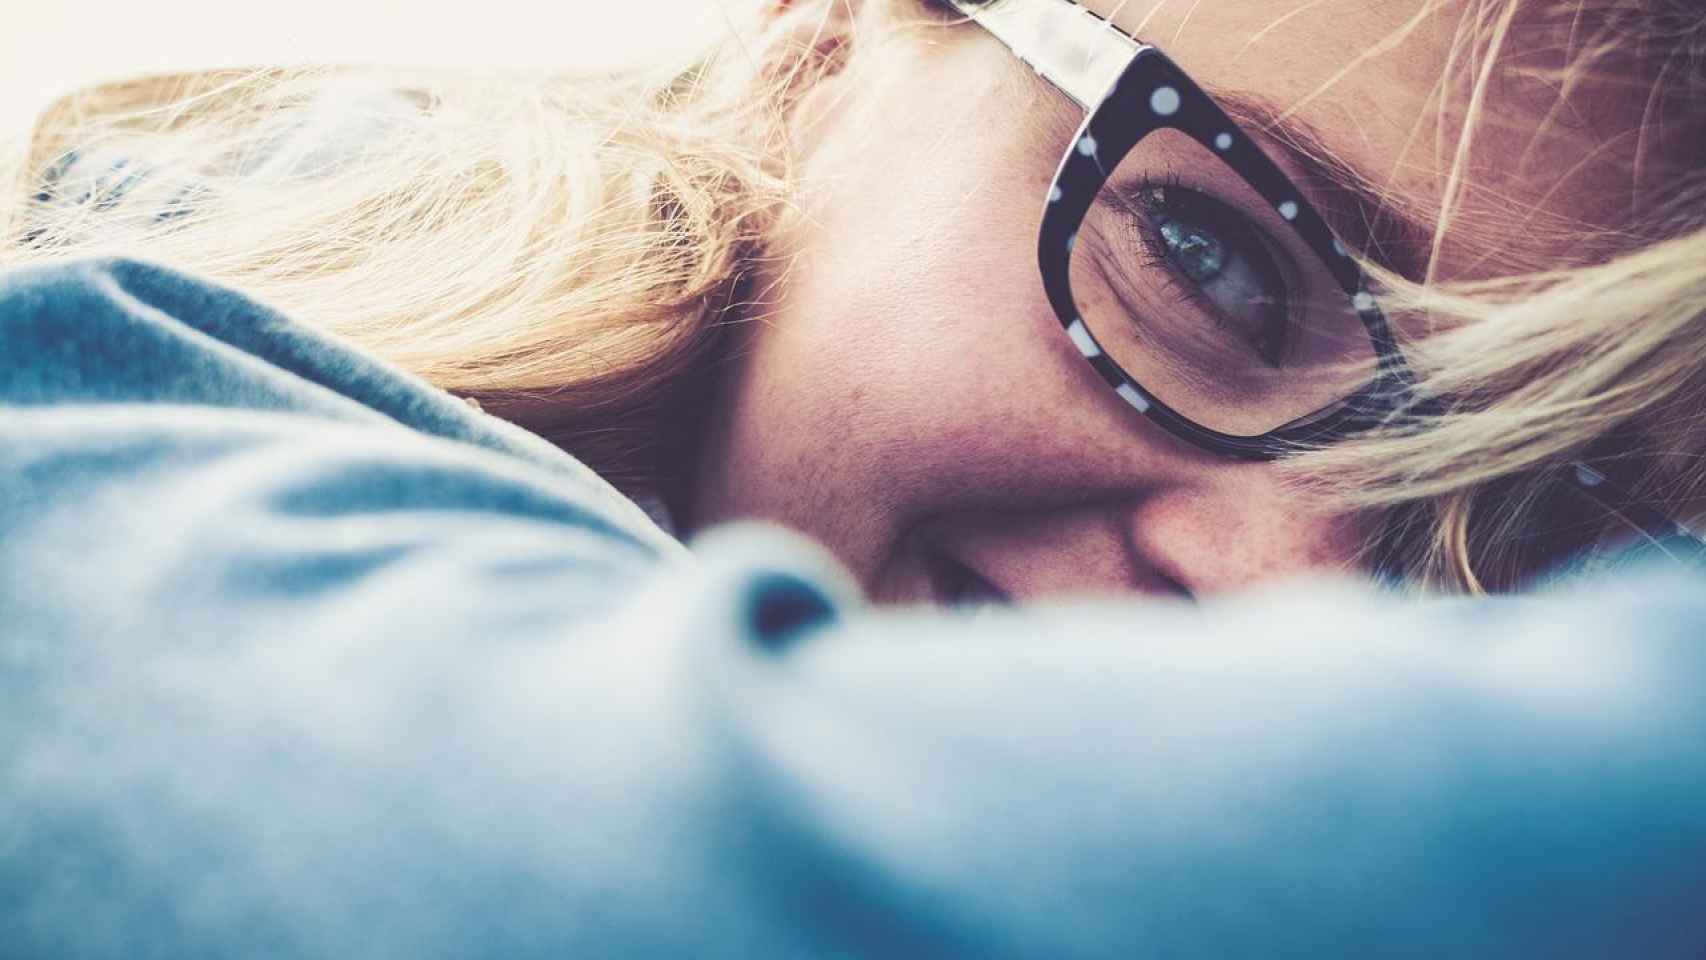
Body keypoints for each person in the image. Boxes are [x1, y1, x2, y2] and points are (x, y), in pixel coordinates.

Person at [1, 1, 1703, 956]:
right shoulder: (152, 422)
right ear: (823, 46)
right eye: (1214, 263)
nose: (1284, 596)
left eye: (1567, 519)